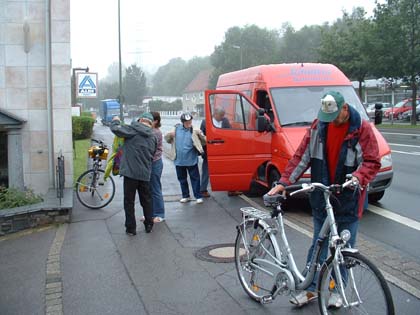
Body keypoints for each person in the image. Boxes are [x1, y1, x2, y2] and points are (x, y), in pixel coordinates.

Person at [268, 91, 381, 308]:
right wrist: (284, 181)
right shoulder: (318, 127)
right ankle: (311, 289)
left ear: (344, 109)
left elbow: (372, 161)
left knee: (344, 249)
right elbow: (302, 157)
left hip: (348, 199)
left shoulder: (362, 129)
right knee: (317, 247)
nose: (328, 122)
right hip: (322, 198)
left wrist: (358, 177)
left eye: (334, 117)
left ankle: (338, 291)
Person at [110, 112, 157, 235]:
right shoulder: (153, 137)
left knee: (129, 201)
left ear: (140, 119)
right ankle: (149, 225)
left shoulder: (132, 130)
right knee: (146, 200)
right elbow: (152, 155)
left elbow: (115, 129)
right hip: (145, 173)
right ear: (151, 123)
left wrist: (115, 120)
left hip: (130, 173)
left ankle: (131, 229)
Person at [165, 112, 206, 204]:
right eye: (187, 122)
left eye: (190, 122)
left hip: (191, 159)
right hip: (179, 160)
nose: (189, 124)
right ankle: (185, 196)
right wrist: (170, 135)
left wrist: (201, 135)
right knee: (182, 179)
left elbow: (204, 141)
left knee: (195, 178)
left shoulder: (195, 130)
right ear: (182, 122)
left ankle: (198, 196)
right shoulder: (176, 129)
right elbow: (167, 139)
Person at [199, 107, 232, 197]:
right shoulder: (205, 122)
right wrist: (202, 151)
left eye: (223, 115)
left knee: (228, 169)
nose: (222, 117)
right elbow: (201, 137)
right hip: (210, 150)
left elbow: (230, 133)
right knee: (206, 170)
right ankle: (203, 190)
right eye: (220, 115)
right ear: (215, 114)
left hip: (223, 150)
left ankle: (231, 189)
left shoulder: (225, 121)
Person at [150, 112, 165, 223]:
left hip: (155, 162)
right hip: (148, 163)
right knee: (148, 189)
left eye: (149, 119)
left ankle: (159, 214)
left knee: (155, 189)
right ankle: (149, 213)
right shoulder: (149, 131)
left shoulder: (156, 132)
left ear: (156, 121)